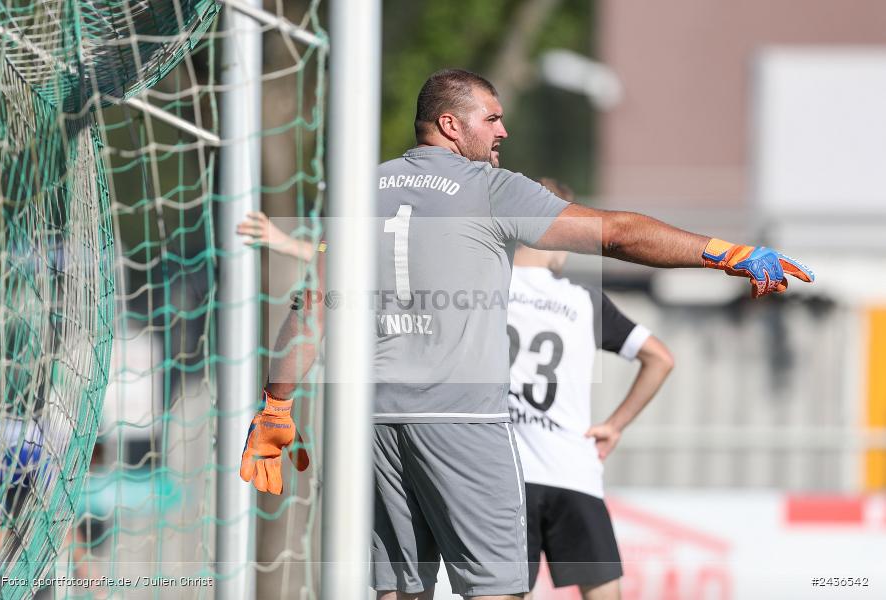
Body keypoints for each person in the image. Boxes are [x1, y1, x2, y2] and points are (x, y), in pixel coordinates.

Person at [238, 68, 814, 600]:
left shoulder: (358, 192)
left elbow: (310, 309)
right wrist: (723, 253)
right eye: (491, 118)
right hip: (462, 420)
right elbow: (616, 234)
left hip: (372, 423)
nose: (503, 130)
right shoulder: (488, 187)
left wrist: (276, 406)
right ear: (450, 124)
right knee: (497, 589)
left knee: (398, 592)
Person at [508, 179, 673, 600]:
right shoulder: (584, 301)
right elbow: (660, 358)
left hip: (506, 479)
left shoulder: (484, 290)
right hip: (572, 472)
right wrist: (615, 425)